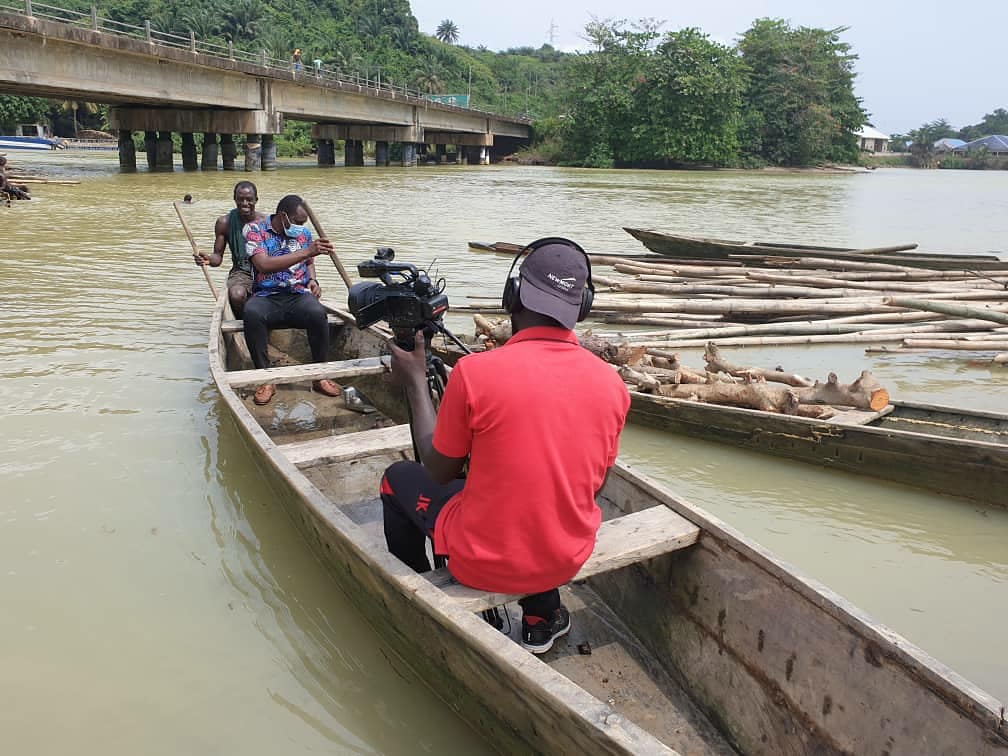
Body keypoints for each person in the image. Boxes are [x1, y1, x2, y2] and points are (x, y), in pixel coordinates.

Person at [379, 238, 630, 654]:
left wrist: (416, 384)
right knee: (533, 494)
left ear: (512, 295)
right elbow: (595, 483)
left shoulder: (475, 373)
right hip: (568, 555)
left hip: (484, 561)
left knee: (396, 480)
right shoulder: (613, 384)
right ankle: (541, 617)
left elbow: (437, 469)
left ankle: (425, 599)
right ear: (581, 307)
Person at [242, 194, 342, 405]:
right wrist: (306, 251)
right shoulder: (254, 231)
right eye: (297, 222)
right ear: (283, 216)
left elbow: (309, 262)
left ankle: (319, 375)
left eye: (303, 223)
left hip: (297, 294)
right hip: (266, 296)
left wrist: (313, 280)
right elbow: (263, 264)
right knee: (251, 313)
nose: (300, 227)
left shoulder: (304, 233)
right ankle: (265, 378)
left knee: (317, 313)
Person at [193, 181, 264, 317]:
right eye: (240, 199)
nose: (244, 204)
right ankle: (244, 321)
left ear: (256, 200)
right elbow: (217, 258)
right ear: (234, 199)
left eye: (249, 200)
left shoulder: (266, 223)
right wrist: (207, 259)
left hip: (264, 270)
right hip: (241, 271)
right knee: (236, 295)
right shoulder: (224, 223)